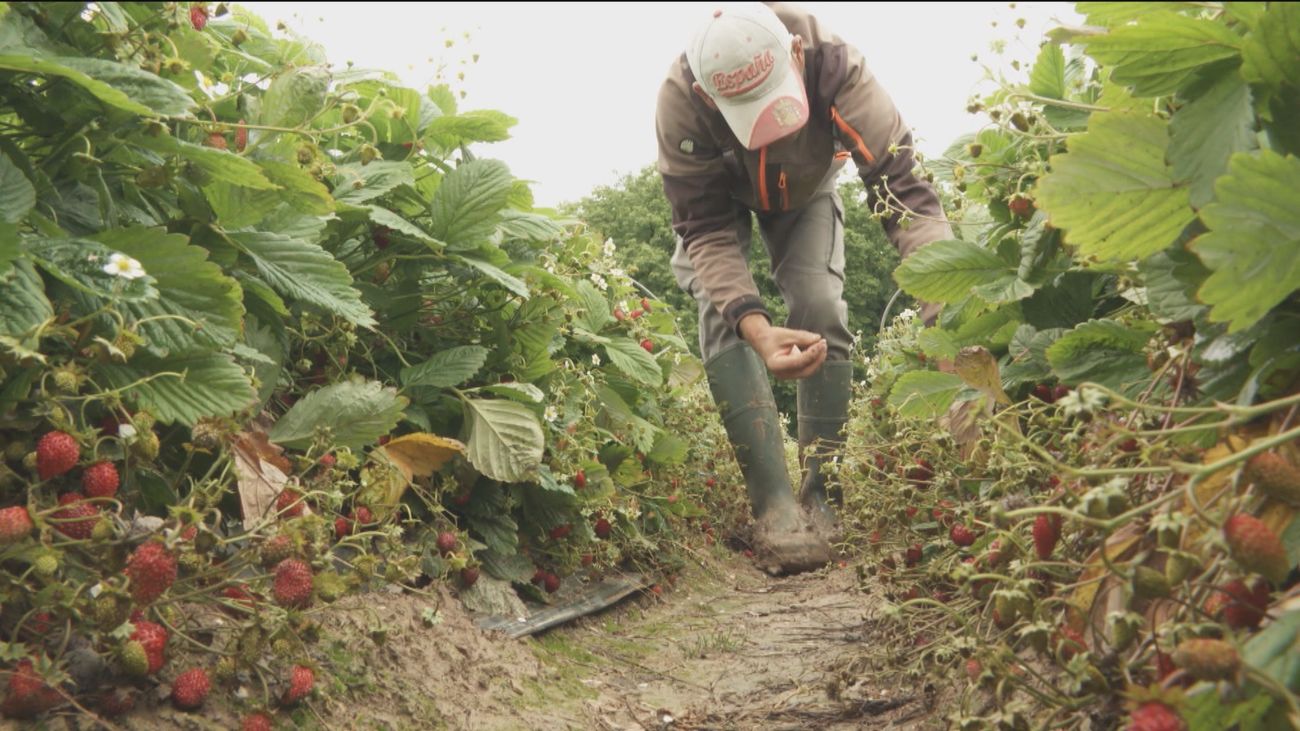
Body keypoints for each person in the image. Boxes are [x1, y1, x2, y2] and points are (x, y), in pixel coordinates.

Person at [656, 2, 952, 574]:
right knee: (722, 313)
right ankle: (774, 506)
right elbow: (706, 231)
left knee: (819, 303)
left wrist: (950, 309)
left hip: (809, 189)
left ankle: (824, 496)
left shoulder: (836, 67)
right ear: (711, 99)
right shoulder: (680, 101)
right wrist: (757, 327)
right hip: (722, 206)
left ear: (793, 54)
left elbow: (907, 196)